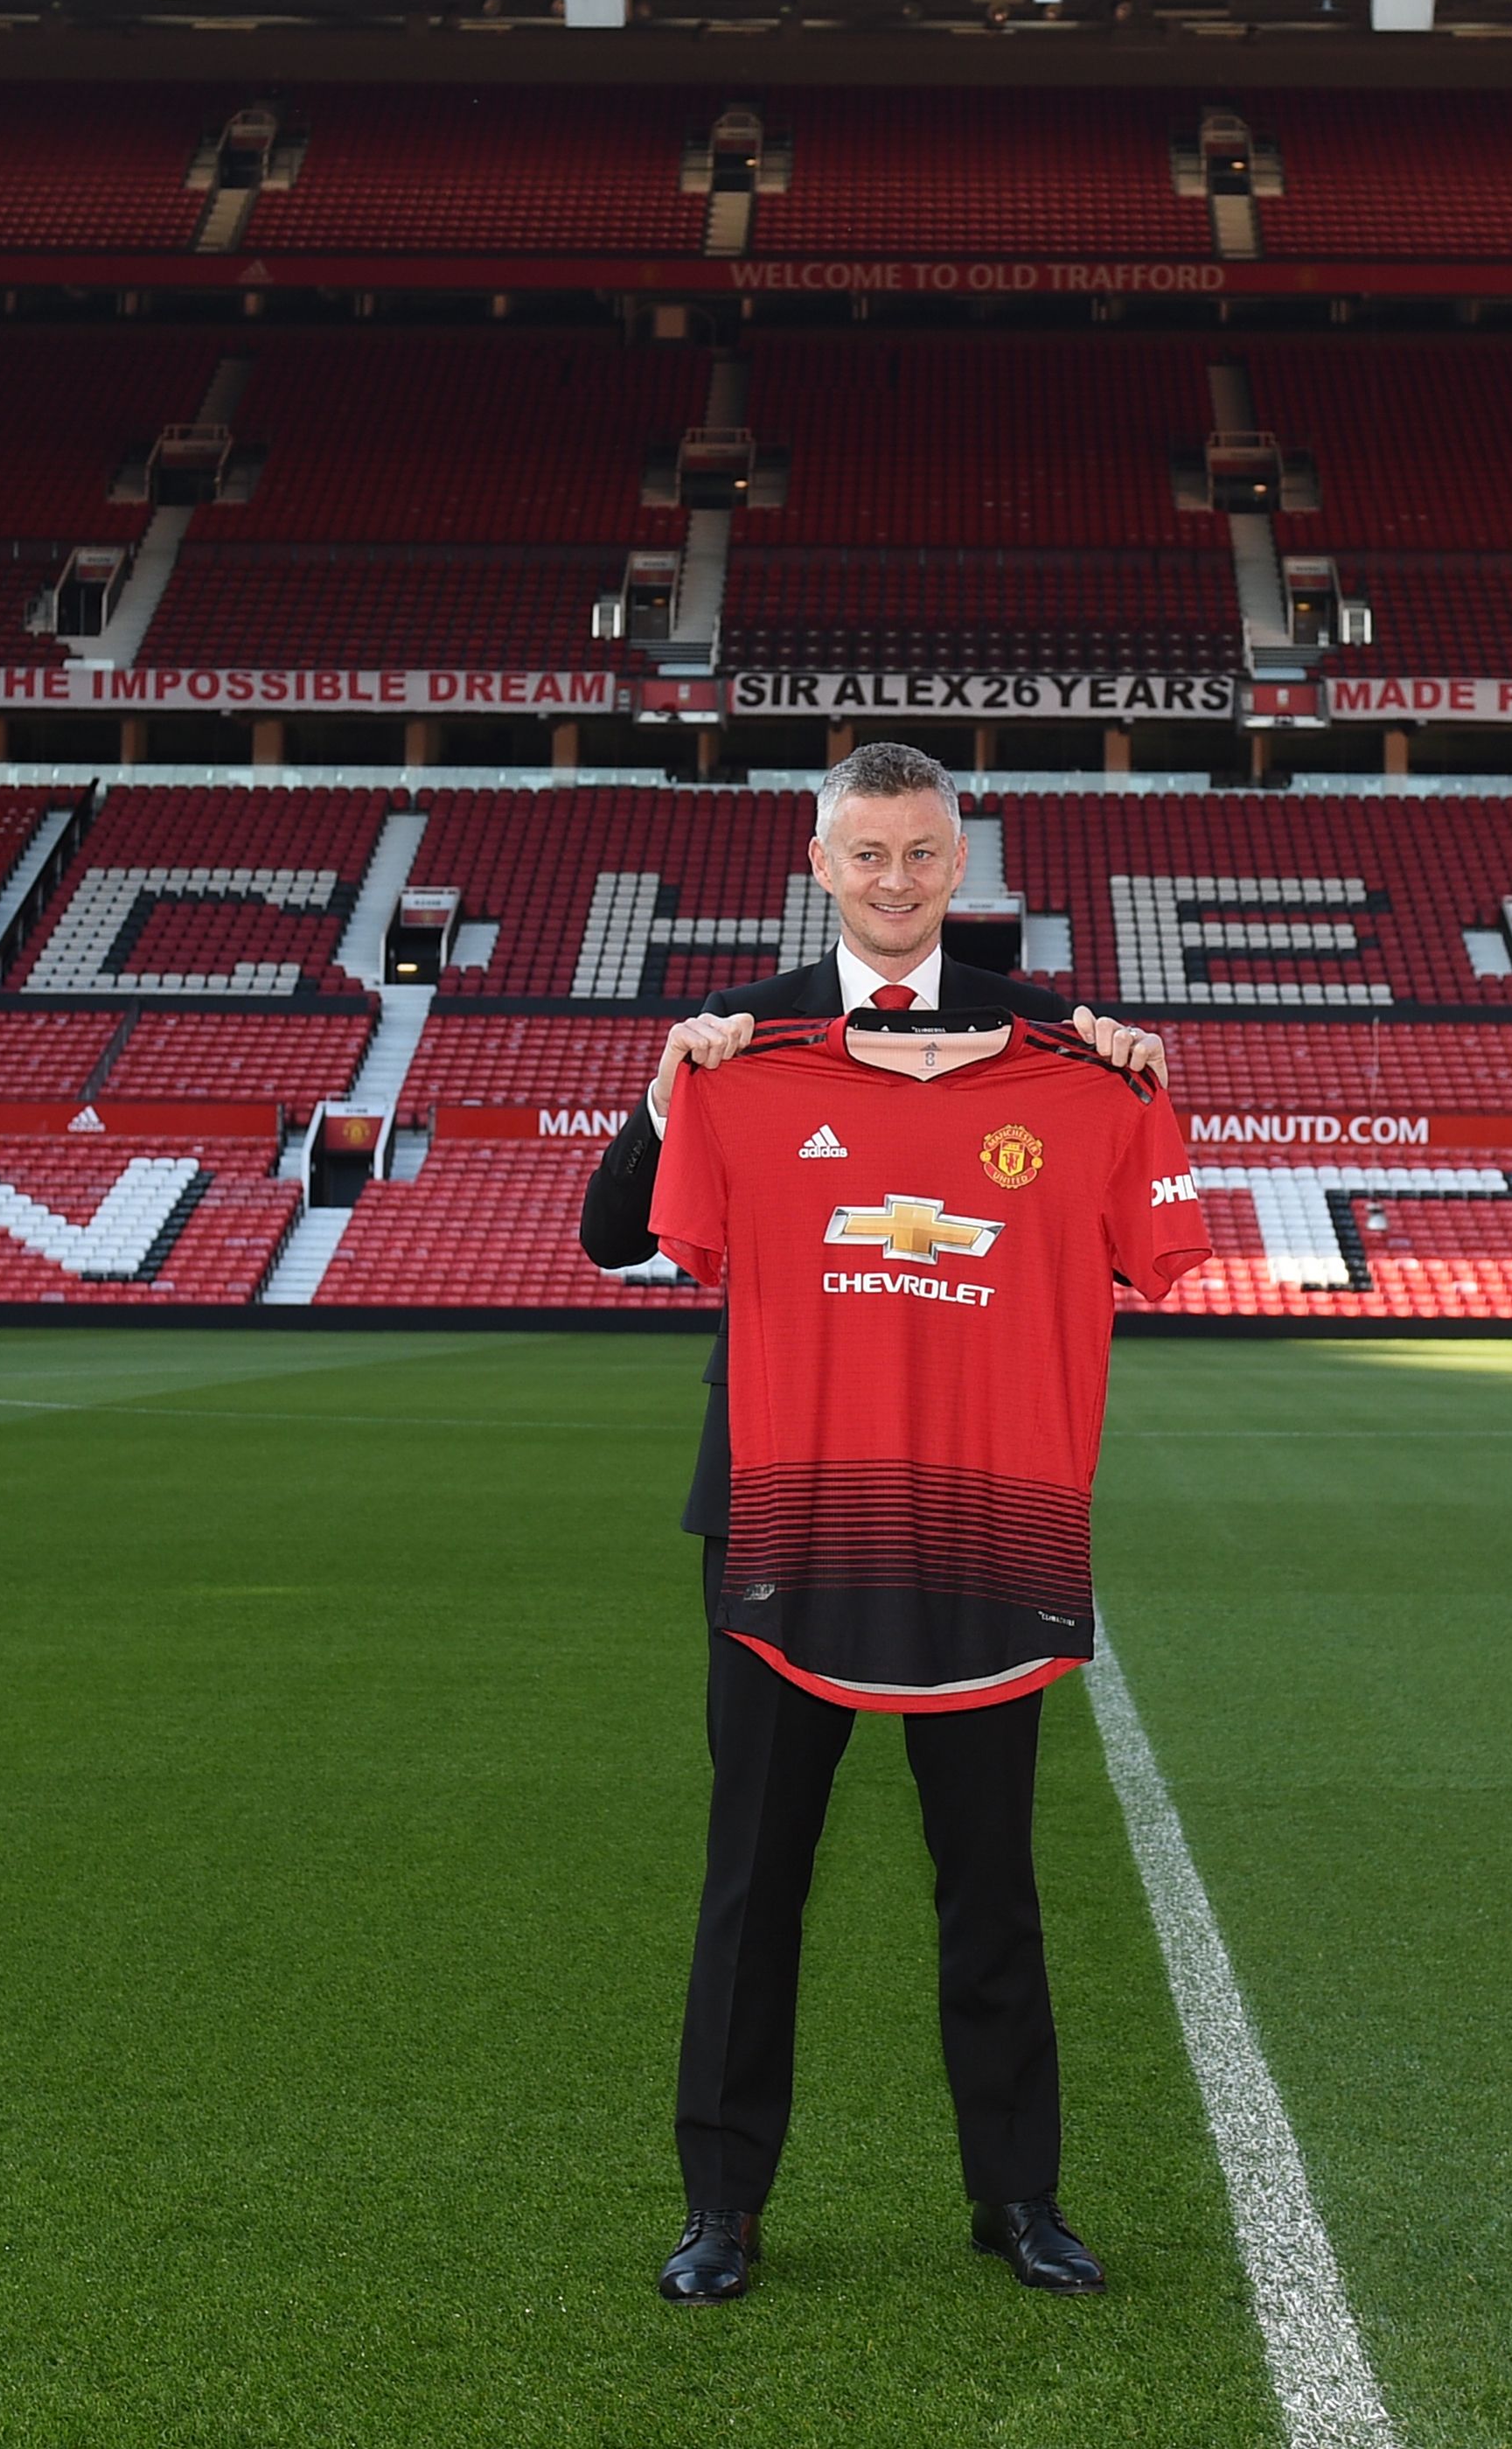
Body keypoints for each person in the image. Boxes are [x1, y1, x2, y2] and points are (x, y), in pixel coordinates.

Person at [578, 743, 1170, 2306]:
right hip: (782, 1514)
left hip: (978, 1516)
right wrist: (664, 1090)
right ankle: (723, 2206)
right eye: (867, 855)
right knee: (754, 1871)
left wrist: (1123, 1064)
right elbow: (607, 1237)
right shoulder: (745, 1033)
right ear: (820, 860)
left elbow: (1128, 1226)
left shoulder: (1060, 1035)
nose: (894, 882)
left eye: (920, 855)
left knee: (992, 1874)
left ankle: (1019, 2199)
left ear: (957, 862)